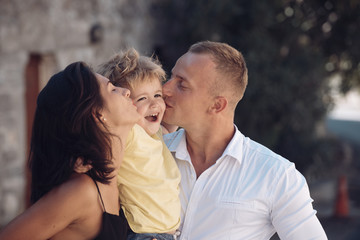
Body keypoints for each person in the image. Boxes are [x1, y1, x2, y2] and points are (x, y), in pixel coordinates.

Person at [162, 41, 328, 240]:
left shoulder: (276, 176)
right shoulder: (150, 153)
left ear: (217, 105)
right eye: (171, 77)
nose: (165, 89)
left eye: (182, 84)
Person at [0, 62, 141, 240]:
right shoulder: (82, 191)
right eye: (112, 89)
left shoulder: (119, 179)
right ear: (97, 114)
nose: (126, 91)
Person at [97, 48, 181, 240]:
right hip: (144, 234)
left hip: (168, 235)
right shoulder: (129, 132)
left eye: (157, 95)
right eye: (142, 98)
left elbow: (174, 116)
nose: (154, 104)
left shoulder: (157, 132)